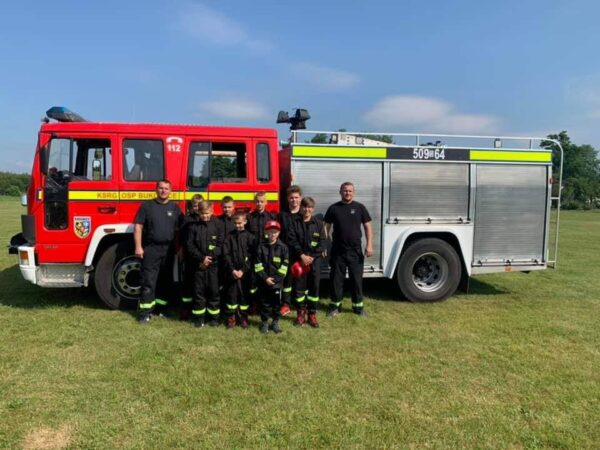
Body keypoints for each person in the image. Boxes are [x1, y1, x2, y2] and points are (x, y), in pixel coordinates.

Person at [134, 179, 184, 324]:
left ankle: (161, 309)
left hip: (169, 250)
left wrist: (180, 249)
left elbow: (182, 229)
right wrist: (138, 246)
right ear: (156, 189)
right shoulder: (147, 206)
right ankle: (145, 313)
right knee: (148, 281)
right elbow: (138, 226)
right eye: (161, 188)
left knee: (165, 281)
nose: (163, 191)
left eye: (166, 188)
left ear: (170, 191)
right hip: (151, 248)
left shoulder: (175, 208)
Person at [324, 182, 373, 317]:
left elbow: (368, 226)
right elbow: (326, 227)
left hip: (355, 251)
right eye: (345, 191)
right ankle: (335, 306)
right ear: (340, 192)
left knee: (356, 280)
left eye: (350, 191)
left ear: (354, 193)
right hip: (338, 251)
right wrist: (324, 244)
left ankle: (358, 307)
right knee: (336, 280)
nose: (348, 193)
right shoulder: (333, 208)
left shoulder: (360, 208)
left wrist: (369, 245)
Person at [287, 197, 326, 328]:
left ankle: (312, 314)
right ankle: (300, 313)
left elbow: (322, 242)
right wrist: (302, 255)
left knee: (314, 288)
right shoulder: (294, 222)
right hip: (299, 261)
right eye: (304, 207)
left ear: (313, 209)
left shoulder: (319, 224)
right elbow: (292, 241)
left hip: (314, 261)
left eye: (309, 207)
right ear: (301, 208)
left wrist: (312, 257)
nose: (307, 209)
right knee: (299, 290)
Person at [185, 201, 222, 327]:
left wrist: (209, 259)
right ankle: (199, 318)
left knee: (214, 292)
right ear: (198, 212)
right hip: (198, 265)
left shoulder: (218, 224)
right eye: (202, 214)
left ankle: (214, 319)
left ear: (212, 211)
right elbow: (190, 246)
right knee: (199, 292)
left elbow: (221, 245)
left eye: (207, 213)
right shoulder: (193, 227)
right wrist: (201, 259)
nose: (205, 216)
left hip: (213, 265)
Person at [254, 220, 289, 334]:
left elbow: (284, 266)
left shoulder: (283, 248)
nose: (272, 234)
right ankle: (264, 323)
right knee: (264, 304)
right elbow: (258, 265)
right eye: (270, 232)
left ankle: (275, 322)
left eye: (275, 232)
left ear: (278, 233)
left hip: (277, 283)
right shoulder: (261, 247)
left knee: (276, 304)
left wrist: (276, 280)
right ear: (266, 232)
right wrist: (265, 278)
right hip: (264, 282)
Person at [222, 212, 255, 329]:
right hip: (232, 273)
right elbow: (226, 254)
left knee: (244, 296)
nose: (237, 225)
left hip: (245, 273)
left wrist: (243, 270)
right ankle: (231, 318)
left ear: (245, 222)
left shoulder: (250, 237)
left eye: (240, 223)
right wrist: (232, 270)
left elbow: (252, 256)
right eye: (235, 223)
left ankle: (243, 317)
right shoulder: (229, 237)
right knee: (231, 296)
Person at [278, 185, 302, 317]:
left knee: (300, 280)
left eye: (296, 197)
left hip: (300, 254)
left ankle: (300, 306)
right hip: (286, 253)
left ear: (300, 198)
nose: (294, 200)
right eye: (291, 198)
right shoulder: (282, 215)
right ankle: (286, 304)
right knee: (286, 280)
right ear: (288, 199)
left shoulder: (304, 215)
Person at [180, 194, 204, 319]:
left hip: (201, 258)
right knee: (187, 284)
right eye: (195, 206)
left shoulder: (204, 220)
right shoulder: (187, 219)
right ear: (191, 206)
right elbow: (184, 239)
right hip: (189, 257)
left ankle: (197, 307)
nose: (197, 208)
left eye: (199, 206)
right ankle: (185, 309)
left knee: (199, 284)